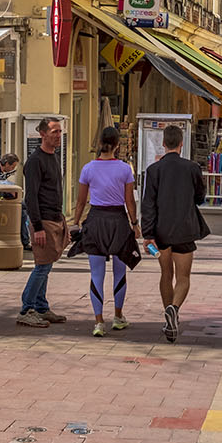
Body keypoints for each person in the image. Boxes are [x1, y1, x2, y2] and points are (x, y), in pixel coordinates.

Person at [141, 123, 210, 342]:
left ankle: (168, 320)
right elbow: (200, 197)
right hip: (185, 229)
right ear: (182, 143)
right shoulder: (192, 168)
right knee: (183, 277)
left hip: (160, 232)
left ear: (163, 143)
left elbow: (148, 204)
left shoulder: (154, 170)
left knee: (165, 274)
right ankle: (174, 309)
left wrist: (147, 234)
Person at [69, 127, 139, 337]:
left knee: (96, 274)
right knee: (120, 271)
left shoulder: (88, 168)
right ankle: (118, 316)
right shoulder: (125, 169)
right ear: (117, 145)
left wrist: (76, 222)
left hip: (96, 221)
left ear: (100, 143)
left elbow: (81, 201)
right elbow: (129, 201)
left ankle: (99, 322)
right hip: (118, 222)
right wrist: (134, 223)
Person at [18, 118, 68, 328]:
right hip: (43, 220)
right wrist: (37, 227)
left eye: (60, 132)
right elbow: (31, 197)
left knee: (47, 265)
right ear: (42, 134)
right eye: (54, 132)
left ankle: (41, 306)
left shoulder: (54, 157)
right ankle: (26, 308)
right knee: (42, 266)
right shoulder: (35, 161)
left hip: (55, 218)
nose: (58, 135)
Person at [0, 153, 29, 250]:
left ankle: (25, 239)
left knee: (25, 209)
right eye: (12, 166)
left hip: (2, 200)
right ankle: (25, 241)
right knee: (23, 211)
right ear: (7, 164)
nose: (13, 169)